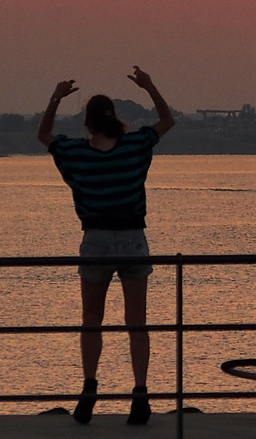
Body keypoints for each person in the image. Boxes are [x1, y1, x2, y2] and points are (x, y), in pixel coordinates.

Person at [37, 67, 175, 425]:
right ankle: (140, 393)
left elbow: (43, 134)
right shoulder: (135, 146)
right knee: (137, 323)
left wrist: (55, 96)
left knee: (91, 320)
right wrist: (149, 85)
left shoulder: (75, 154)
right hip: (132, 238)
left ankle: (89, 387)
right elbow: (167, 120)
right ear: (113, 118)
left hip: (95, 239)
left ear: (88, 123)